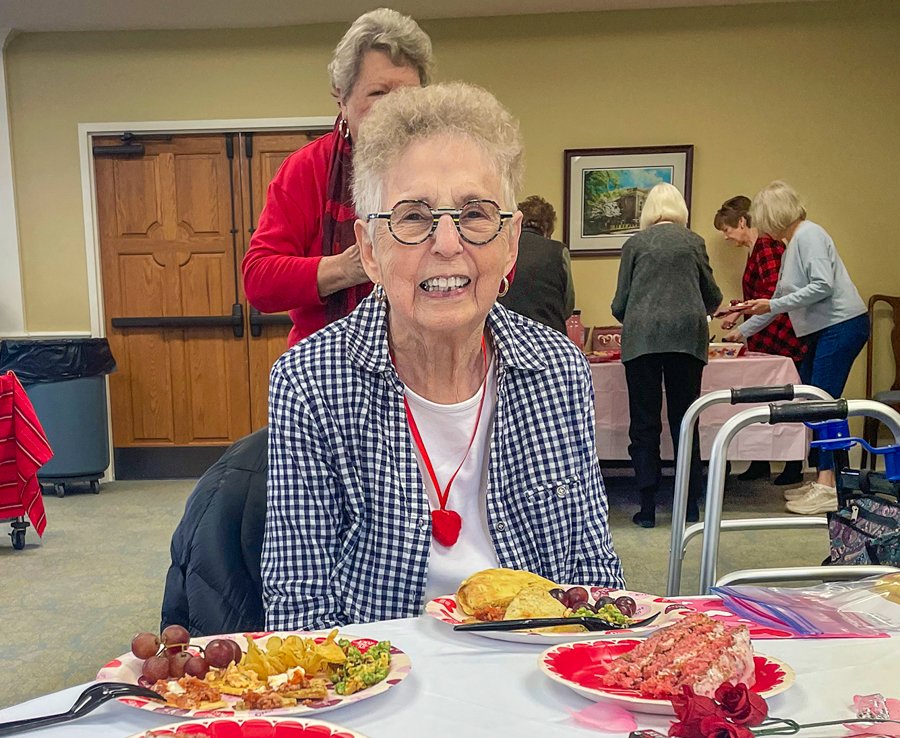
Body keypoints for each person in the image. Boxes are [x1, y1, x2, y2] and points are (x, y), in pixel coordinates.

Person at [261, 83, 624, 630]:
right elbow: (299, 608)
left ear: (511, 243)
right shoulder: (309, 382)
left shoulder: (558, 369)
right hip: (384, 668)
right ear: (370, 250)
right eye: (413, 217)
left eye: (475, 214)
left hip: (535, 658)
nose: (449, 243)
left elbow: (594, 576)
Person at [241, 9, 434, 347]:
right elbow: (259, 281)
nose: (396, 109)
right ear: (342, 98)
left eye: (408, 96)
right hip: (326, 358)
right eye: (378, 93)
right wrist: (350, 267)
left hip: (428, 354)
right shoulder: (306, 169)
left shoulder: (445, 164)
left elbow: (500, 263)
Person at [724, 180, 868, 515]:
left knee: (823, 405)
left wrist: (770, 305)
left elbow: (822, 286)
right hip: (824, 329)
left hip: (840, 326)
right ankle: (826, 479)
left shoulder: (808, 235)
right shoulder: (792, 245)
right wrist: (742, 331)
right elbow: (776, 302)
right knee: (814, 403)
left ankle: (830, 485)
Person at [611, 183, 722, 528]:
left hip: (641, 340)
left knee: (644, 423)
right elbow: (712, 296)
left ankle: (647, 506)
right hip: (687, 340)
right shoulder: (694, 242)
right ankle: (688, 504)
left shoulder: (634, 244)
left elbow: (620, 303)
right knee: (685, 420)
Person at [714, 195, 806, 485]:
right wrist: (736, 310)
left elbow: (773, 295)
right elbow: (762, 296)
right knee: (763, 399)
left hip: (781, 335)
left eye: (727, 229)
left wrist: (741, 321)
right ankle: (760, 462)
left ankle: (793, 465)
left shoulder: (766, 246)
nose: (726, 236)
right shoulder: (757, 249)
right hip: (767, 333)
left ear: (742, 222)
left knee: (785, 398)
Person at [498, 195, 575, 334]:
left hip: (507, 333)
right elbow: (568, 305)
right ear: (548, 227)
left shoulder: (504, 248)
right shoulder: (559, 251)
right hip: (550, 336)